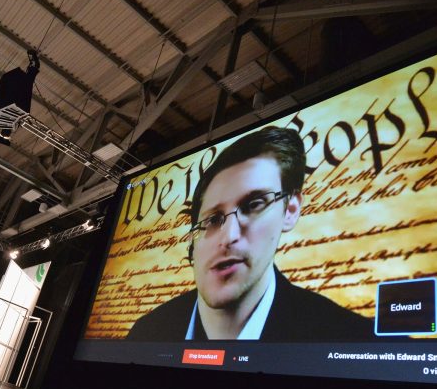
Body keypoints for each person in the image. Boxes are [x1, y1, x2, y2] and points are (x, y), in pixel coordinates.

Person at [126, 126, 374, 342]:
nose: (229, 236)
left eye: (254, 205)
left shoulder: (354, 337)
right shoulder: (145, 332)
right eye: (212, 220)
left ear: (290, 209)